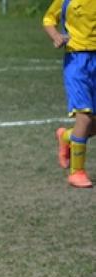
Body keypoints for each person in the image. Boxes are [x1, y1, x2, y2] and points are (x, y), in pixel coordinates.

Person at [44, 0, 96, 188]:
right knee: (85, 117)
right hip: (77, 62)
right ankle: (77, 172)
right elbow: (49, 19)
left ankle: (66, 137)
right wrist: (56, 36)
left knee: (93, 124)